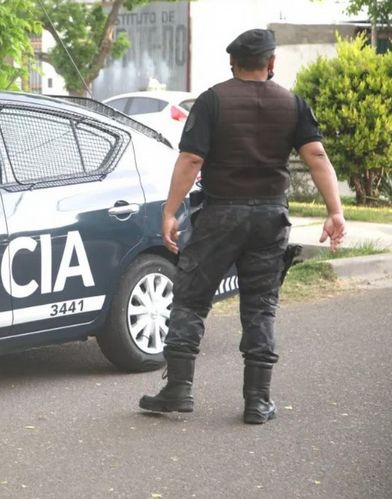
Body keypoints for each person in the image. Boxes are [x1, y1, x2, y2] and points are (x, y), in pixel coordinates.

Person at [138, 28, 346, 424]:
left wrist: (170, 210)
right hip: (270, 217)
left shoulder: (213, 100)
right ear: (271, 64)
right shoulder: (292, 102)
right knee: (261, 305)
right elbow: (317, 155)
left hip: (220, 214)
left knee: (191, 298)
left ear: (232, 64)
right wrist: (335, 211)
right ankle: (257, 400)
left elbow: (191, 161)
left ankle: (178, 390)